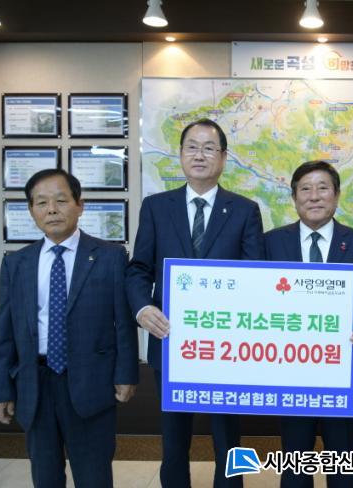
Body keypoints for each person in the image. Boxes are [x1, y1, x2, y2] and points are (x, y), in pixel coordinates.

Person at [126, 118, 265, 488]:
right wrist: (143, 309)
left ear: (223, 157)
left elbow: (257, 277)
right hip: (171, 340)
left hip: (227, 346)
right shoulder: (156, 207)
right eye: (192, 147)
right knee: (173, 439)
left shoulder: (244, 210)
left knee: (228, 438)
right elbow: (139, 269)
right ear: (181, 154)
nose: (199, 155)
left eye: (208, 148)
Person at [0, 169, 139, 487]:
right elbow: (5, 332)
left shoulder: (110, 257)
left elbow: (124, 323)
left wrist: (126, 373)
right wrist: (1, 389)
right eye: (41, 203)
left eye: (61, 200)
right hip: (35, 384)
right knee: (45, 476)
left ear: (79, 205)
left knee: (94, 477)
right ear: (31, 210)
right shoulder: (17, 263)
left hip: (91, 382)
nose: (52, 210)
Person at [264, 160, 353, 488]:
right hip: (290, 371)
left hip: (341, 371)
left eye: (323, 188)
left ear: (336, 195)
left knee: (342, 459)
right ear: (294, 197)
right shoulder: (272, 243)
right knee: (295, 460)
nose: (314, 196)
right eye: (305, 189)